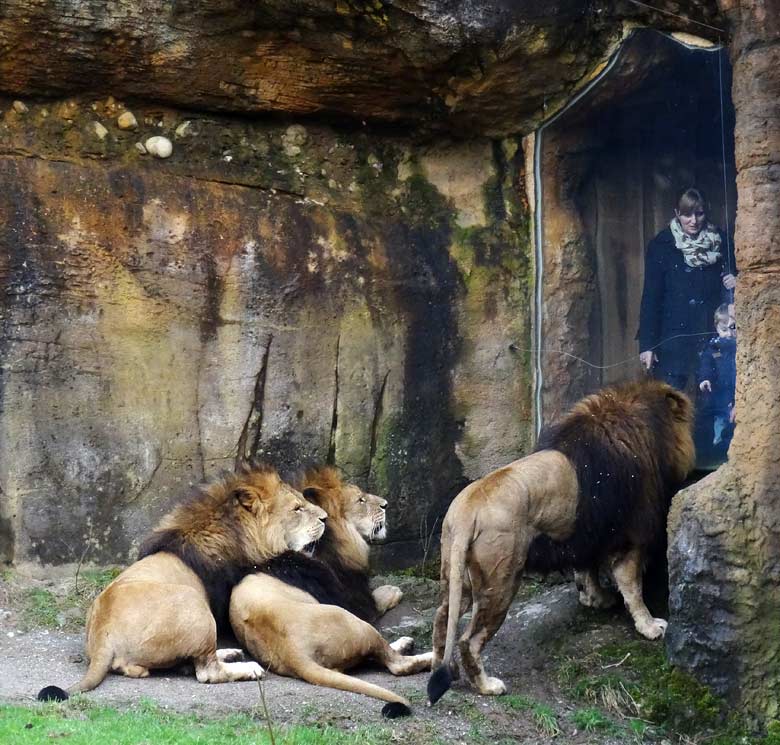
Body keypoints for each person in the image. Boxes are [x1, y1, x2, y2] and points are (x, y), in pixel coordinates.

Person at [638, 187, 736, 391]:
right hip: (673, 339)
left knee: (709, 404)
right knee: (672, 405)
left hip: (710, 335)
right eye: (687, 214)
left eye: (699, 213)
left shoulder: (720, 240)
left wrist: (736, 280)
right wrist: (647, 345)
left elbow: (735, 278)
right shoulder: (661, 245)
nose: (694, 220)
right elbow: (651, 297)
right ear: (677, 213)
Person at [698, 303, 737, 450]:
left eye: (733, 328)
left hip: (736, 392)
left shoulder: (739, 345)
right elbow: (706, 364)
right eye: (724, 330)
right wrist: (705, 378)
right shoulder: (714, 347)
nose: (729, 334)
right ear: (716, 328)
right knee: (720, 422)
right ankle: (719, 445)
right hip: (720, 393)